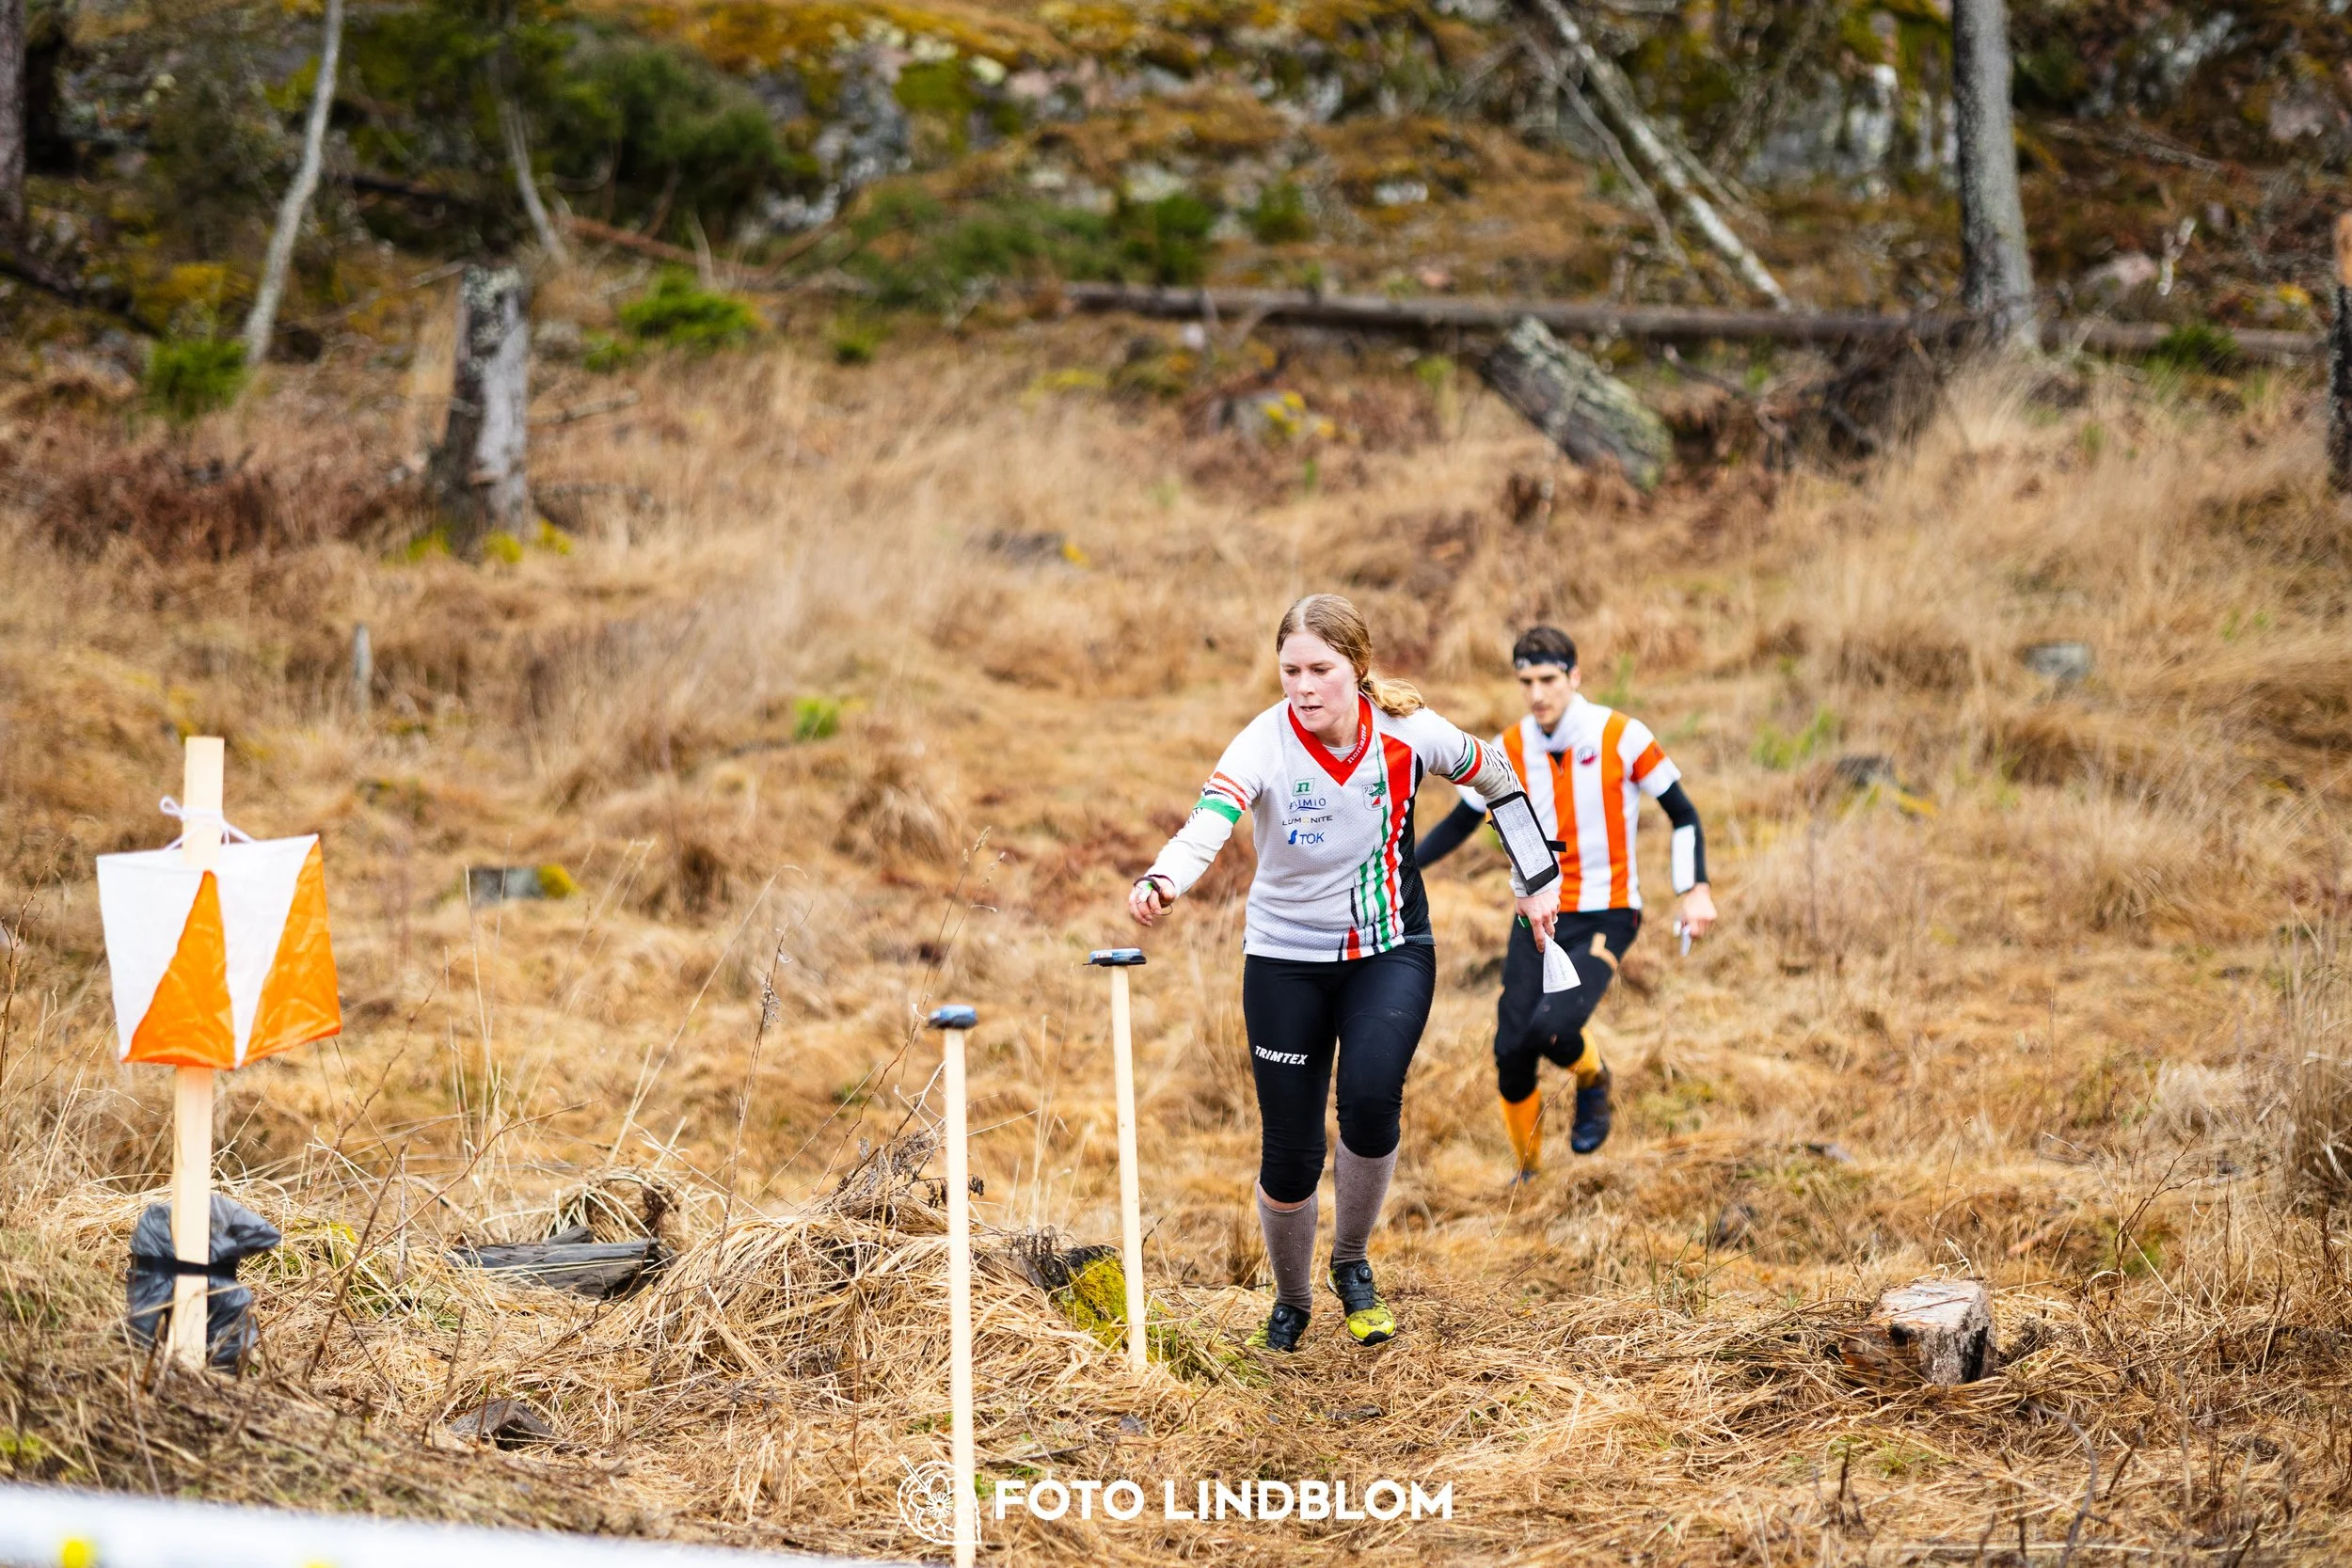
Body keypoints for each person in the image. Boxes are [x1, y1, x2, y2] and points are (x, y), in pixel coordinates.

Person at [1128, 594, 1565, 1353]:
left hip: (1390, 947)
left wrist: (1537, 876)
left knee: (1368, 1096)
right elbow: (1210, 820)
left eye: (1321, 670)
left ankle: (1352, 1262)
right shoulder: (1262, 743)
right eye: (1290, 669)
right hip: (1284, 959)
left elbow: (1496, 776)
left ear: (1356, 668)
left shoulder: (1408, 732)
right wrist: (1164, 879)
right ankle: (1292, 1300)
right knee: (1291, 1152)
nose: (1303, 686)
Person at [1418, 625, 1716, 1180]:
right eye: (1526, 681)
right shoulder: (1506, 747)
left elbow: (1684, 814)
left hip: (1607, 910)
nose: (1537, 694)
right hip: (1537, 914)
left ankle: (1592, 1077)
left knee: (1551, 1029)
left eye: (1549, 679)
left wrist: (1693, 889)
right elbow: (1461, 820)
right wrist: (1401, 865)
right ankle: (1528, 1175)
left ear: (1574, 677)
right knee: (1510, 1052)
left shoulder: (1621, 735)